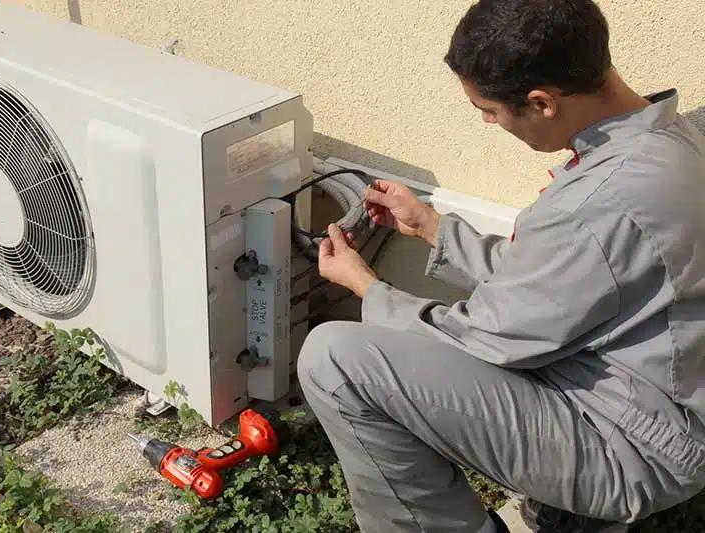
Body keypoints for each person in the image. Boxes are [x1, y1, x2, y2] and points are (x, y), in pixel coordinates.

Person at [296, 1, 705, 532]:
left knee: (337, 361)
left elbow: (484, 337)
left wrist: (365, 287)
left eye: (488, 110)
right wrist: (430, 226)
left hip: (636, 445)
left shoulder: (597, 201)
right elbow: (555, 279)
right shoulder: (669, 140)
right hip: (661, 402)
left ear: (541, 102)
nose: (489, 123)